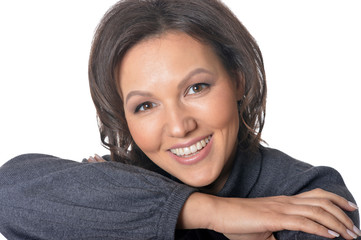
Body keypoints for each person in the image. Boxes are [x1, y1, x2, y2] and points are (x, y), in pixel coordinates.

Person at [0, 0, 360, 239]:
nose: (178, 126)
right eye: (145, 106)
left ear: (238, 79)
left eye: (196, 88)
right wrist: (206, 211)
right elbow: (8, 193)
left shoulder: (306, 192)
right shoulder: (112, 185)